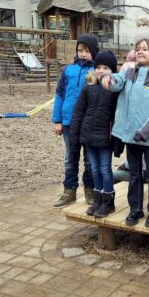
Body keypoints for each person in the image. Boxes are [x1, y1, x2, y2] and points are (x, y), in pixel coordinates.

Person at [102, 17, 149, 228]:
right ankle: (135, 209)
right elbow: (114, 84)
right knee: (134, 175)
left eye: (146, 49)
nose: (140, 52)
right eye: (138, 48)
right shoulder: (128, 73)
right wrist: (103, 78)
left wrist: (145, 131)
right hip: (130, 135)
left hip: (148, 138)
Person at [69, 51, 119, 218]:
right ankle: (97, 199)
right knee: (94, 169)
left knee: (105, 169)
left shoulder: (114, 90)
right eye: (98, 67)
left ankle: (108, 200)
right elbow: (78, 112)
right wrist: (75, 135)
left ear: (112, 70)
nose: (101, 70)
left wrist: (117, 140)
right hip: (89, 136)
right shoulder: (88, 88)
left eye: (105, 67)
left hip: (105, 137)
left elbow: (117, 115)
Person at [52, 34, 99, 208]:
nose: (83, 53)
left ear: (93, 52)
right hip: (68, 123)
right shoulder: (68, 70)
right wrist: (57, 120)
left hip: (88, 124)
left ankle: (90, 191)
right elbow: (59, 95)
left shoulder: (96, 71)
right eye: (80, 50)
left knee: (89, 160)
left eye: (87, 50)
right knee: (70, 158)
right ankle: (69, 191)